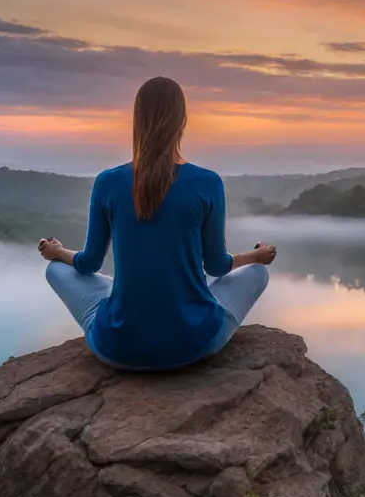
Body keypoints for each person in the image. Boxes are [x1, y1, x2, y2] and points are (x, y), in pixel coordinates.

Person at [38, 76, 276, 371]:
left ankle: (131, 298)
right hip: (193, 343)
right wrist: (255, 257)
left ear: (136, 121)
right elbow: (216, 266)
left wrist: (59, 252)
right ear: (182, 121)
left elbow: (88, 265)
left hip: (118, 347)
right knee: (258, 274)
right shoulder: (208, 183)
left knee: (56, 270)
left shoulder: (107, 182)